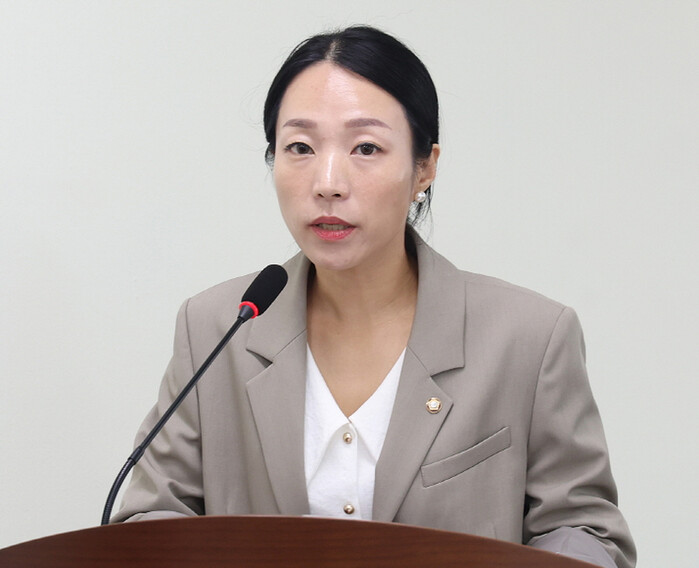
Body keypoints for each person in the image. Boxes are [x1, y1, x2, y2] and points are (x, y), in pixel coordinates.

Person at [112, 26, 636, 568]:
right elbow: (152, 515)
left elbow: (583, 529)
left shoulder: (528, 337)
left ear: (424, 167)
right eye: (300, 148)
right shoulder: (217, 326)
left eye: (366, 148)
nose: (328, 182)